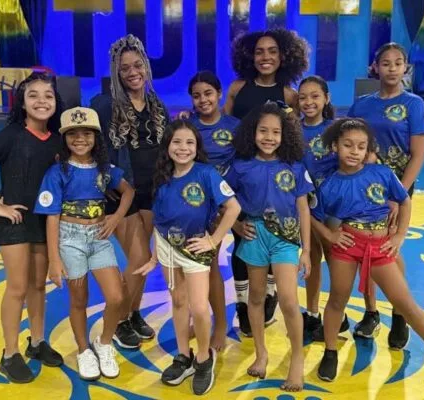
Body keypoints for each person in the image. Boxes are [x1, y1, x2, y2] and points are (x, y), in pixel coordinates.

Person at [310, 118, 424, 384]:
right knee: (337, 299)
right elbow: (312, 216)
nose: (354, 151)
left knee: (403, 301)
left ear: (368, 150)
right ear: (335, 146)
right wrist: (330, 235)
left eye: (361, 146)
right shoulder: (328, 185)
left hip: (380, 245)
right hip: (347, 245)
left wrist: (399, 236)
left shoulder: (382, 173)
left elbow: (404, 202)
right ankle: (330, 351)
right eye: (348, 145)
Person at [136, 120, 240, 395]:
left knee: (199, 307)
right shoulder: (162, 177)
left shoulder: (207, 174)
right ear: (168, 146)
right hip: (167, 248)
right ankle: (184, 356)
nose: (183, 148)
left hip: (195, 250)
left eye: (189, 142)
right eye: (177, 142)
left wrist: (213, 240)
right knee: (179, 302)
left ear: (197, 147)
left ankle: (204, 359)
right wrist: (154, 257)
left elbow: (233, 208)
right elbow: (159, 222)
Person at [34, 107, 134, 380]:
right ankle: (83, 350)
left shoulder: (105, 169)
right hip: (70, 240)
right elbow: (52, 217)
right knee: (79, 299)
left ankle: (104, 343)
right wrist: (54, 260)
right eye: (73, 134)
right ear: (64, 138)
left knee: (116, 296)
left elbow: (128, 191)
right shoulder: (58, 172)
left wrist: (116, 218)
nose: (80, 139)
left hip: (99, 239)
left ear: (96, 137)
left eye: (87, 133)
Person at [224, 28, 310, 331]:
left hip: (276, 179)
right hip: (244, 177)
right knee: (242, 241)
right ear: (249, 56)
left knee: (275, 237)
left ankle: (270, 292)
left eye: (272, 51)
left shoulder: (289, 95)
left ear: (284, 56)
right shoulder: (237, 88)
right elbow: (223, 126)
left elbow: (294, 136)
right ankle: (243, 302)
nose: (265, 57)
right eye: (259, 51)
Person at [0, 72, 64, 383]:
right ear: (23, 103)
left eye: (48, 95)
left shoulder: (57, 140)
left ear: (56, 101)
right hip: (13, 221)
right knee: (17, 288)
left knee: (38, 286)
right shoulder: (12, 134)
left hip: (43, 222)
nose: (41, 101)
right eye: (33, 95)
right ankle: (9, 353)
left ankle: (37, 342)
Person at [347, 42, 424, 348]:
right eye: (386, 63)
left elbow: (418, 155)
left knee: (389, 250)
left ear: (405, 68)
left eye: (398, 62)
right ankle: (371, 312)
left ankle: (399, 313)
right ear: (375, 67)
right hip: (362, 190)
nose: (392, 68)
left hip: (396, 191)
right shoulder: (362, 105)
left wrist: (398, 195)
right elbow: (348, 141)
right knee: (363, 251)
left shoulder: (414, 104)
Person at [226, 102, 312, 392]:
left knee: (288, 299)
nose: (269, 137)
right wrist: (237, 226)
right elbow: (225, 202)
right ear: (252, 132)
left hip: (285, 238)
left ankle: (297, 359)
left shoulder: (294, 166)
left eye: (276, 132)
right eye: (263, 131)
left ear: (284, 136)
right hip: (254, 236)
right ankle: (261, 353)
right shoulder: (240, 166)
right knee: (256, 297)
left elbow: (303, 209)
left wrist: (306, 250)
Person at [91, 34, 169, 348]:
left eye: (137, 65)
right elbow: (91, 146)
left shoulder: (156, 105)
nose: (133, 72)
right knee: (139, 257)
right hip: (122, 193)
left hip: (153, 192)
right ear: (117, 72)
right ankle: (120, 320)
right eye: (125, 68)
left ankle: (133, 313)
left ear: (146, 66)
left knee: (144, 261)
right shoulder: (105, 104)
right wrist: (106, 179)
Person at [186, 71, 240, 348]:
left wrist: (229, 210)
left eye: (208, 93)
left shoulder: (235, 126)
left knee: (211, 266)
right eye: (196, 96)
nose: (203, 100)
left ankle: (220, 324)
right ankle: (199, 317)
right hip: (193, 207)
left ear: (219, 94)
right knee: (193, 267)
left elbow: (243, 168)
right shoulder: (188, 127)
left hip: (223, 208)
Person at [298, 76, 349, 341]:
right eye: (303, 97)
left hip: (333, 208)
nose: (309, 102)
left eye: (315, 96)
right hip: (305, 207)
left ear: (327, 98)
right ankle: (313, 314)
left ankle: (339, 313)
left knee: (335, 258)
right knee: (312, 258)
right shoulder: (292, 130)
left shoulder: (337, 129)